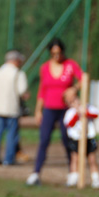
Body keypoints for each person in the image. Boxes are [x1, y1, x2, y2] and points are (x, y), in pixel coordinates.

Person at [26, 38, 84, 186]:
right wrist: (38, 110)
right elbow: (42, 90)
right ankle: (36, 173)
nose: (56, 56)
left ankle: (73, 172)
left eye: (59, 53)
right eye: (53, 54)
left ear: (63, 52)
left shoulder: (71, 65)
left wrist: (75, 88)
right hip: (49, 109)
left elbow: (83, 79)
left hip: (66, 109)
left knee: (66, 139)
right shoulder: (44, 68)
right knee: (44, 139)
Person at [0, 50, 29, 166]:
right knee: (11, 135)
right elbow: (22, 90)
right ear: (15, 60)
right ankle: (8, 159)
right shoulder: (19, 74)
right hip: (12, 109)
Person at [63, 98, 99, 188]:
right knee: (75, 159)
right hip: (76, 138)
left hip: (89, 137)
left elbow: (96, 115)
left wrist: (86, 112)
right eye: (73, 102)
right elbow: (68, 124)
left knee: (92, 158)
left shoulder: (89, 108)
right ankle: (74, 177)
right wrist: (77, 115)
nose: (76, 104)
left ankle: (96, 178)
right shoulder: (70, 112)